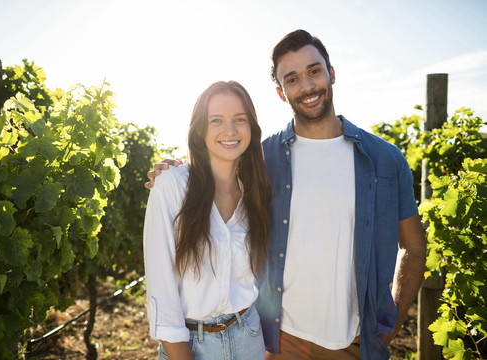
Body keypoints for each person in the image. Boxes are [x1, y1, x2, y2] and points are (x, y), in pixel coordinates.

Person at [146, 30, 426, 360]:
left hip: (353, 342)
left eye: (314, 71)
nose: (306, 86)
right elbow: (216, 159)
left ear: (331, 73)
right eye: (292, 79)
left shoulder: (384, 159)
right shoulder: (264, 160)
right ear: (281, 92)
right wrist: (173, 170)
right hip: (278, 342)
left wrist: (390, 323)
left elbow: (413, 243)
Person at [143, 80, 271, 360]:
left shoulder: (256, 190)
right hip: (191, 345)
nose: (230, 130)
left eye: (240, 119)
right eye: (217, 120)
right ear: (200, 130)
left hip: (249, 336)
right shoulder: (171, 185)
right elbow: (161, 292)